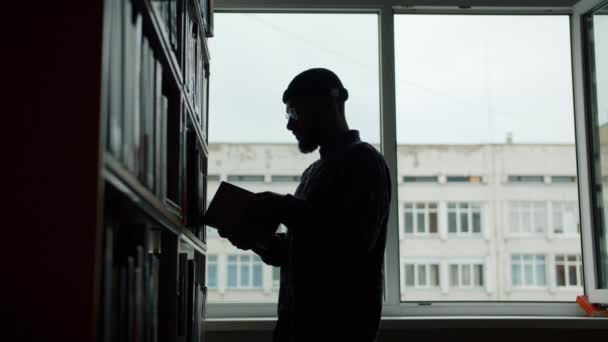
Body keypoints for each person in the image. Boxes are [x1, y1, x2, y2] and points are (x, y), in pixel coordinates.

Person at [219, 68, 391, 342]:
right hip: (296, 328)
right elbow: (304, 249)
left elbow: (353, 242)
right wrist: (257, 240)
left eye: (295, 113)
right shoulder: (313, 172)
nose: (289, 125)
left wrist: (284, 208)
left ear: (327, 105)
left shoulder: (365, 162)